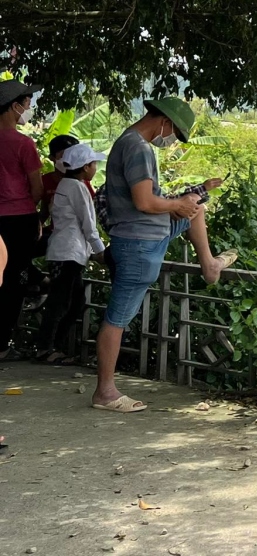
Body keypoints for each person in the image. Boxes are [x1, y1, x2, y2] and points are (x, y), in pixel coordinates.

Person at [93, 98, 237, 413]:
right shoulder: (140, 148)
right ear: (164, 123)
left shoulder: (127, 142)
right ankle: (105, 392)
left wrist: (186, 201)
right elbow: (145, 201)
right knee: (116, 320)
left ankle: (210, 264)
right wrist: (176, 205)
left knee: (196, 206)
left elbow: (148, 201)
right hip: (138, 243)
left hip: (144, 235)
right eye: (174, 133)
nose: (170, 140)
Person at [34, 143, 107, 364]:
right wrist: (100, 251)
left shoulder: (65, 184)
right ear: (85, 167)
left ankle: (51, 347)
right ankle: (47, 348)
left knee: (72, 301)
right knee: (62, 302)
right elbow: (88, 224)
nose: (95, 168)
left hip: (65, 251)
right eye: (93, 164)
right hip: (69, 252)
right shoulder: (77, 187)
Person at [0, 79, 44, 360]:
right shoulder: (23, 143)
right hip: (18, 219)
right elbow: (36, 187)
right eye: (27, 104)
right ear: (14, 106)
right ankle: (2, 345)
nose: (29, 108)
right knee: (14, 281)